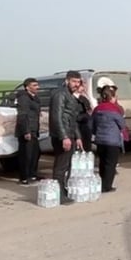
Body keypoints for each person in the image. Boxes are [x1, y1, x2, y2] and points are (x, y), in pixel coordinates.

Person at [49, 70, 83, 205]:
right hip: (62, 135)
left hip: (70, 134)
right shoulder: (60, 94)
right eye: (74, 81)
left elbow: (72, 118)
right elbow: (56, 117)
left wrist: (78, 137)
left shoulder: (70, 95)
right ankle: (59, 194)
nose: (76, 84)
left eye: (78, 82)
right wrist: (64, 137)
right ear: (67, 80)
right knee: (61, 166)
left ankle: (63, 189)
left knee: (67, 164)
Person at [92, 80, 127, 192]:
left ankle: (102, 183)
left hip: (100, 140)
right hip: (112, 141)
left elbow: (92, 124)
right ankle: (107, 186)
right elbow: (122, 124)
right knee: (110, 164)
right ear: (112, 97)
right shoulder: (115, 109)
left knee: (102, 162)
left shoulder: (97, 109)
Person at [14, 77, 42, 185]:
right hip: (27, 129)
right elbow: (22, 115)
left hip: (34, 129)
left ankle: (32, 174)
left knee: (36, 153)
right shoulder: (24, 98)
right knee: (26, 154)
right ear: (27, 87)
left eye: (37, 85)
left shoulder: (35, 98)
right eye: (34, 85)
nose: (37, 87)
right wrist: (26, 131)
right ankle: (24, 177)